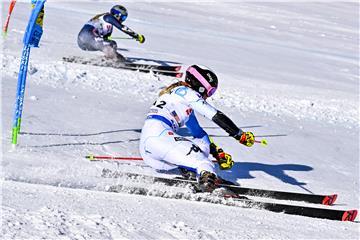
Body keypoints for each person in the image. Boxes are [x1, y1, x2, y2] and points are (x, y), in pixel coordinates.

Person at [139, 64, 255, 192]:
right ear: (200, 86)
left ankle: (194, 173)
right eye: (210, 91)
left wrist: (217, 153)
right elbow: (214, 114)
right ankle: (207, 180)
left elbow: (198, 133)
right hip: (159, 137)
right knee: (204, 163)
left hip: (151, 150)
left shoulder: (179, 98)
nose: (209, 95)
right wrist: (239, 134)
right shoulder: (187, 93)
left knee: (201, 148)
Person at [77, 5, 145, 62]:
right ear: (117, 15)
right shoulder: (108, 17)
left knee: (111, 44)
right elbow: (123, 28)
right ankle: (113, 60)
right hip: (88, 36)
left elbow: (104, 39)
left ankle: (111, 59)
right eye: (122, 17)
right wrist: (137, 36)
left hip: (82, 41)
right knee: (112, 44)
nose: (122, 20)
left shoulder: (107, 23)